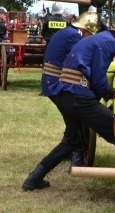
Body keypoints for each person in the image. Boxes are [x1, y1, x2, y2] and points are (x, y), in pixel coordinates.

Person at [22, 17, 115, 190]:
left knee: (72, 140)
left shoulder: (99, 38)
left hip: (65, 95)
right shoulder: (109, 43)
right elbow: (99, 80)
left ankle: (34, 179)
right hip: (78, 97)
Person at [41, 11, 100, 167]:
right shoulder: (74, 36)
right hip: (57, 83)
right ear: (86, 30)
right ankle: (77, 157)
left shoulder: (68, 32)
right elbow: (83, 60)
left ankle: (70, 151)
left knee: (73, 123)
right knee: (80, 116)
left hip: (51, 80)